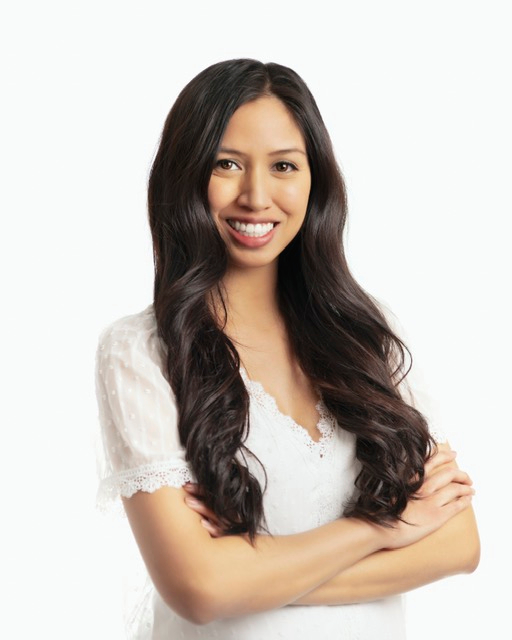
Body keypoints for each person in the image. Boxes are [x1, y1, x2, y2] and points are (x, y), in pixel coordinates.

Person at [95, 58, 480, 639]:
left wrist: (245, 574)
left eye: (283, 166)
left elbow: (459, 541)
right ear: (185, 175)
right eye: (226, 164)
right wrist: (379, 528)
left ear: (314, 180)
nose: (256, 195)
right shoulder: (141, 352)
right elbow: (199, 589)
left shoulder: (367, 333)